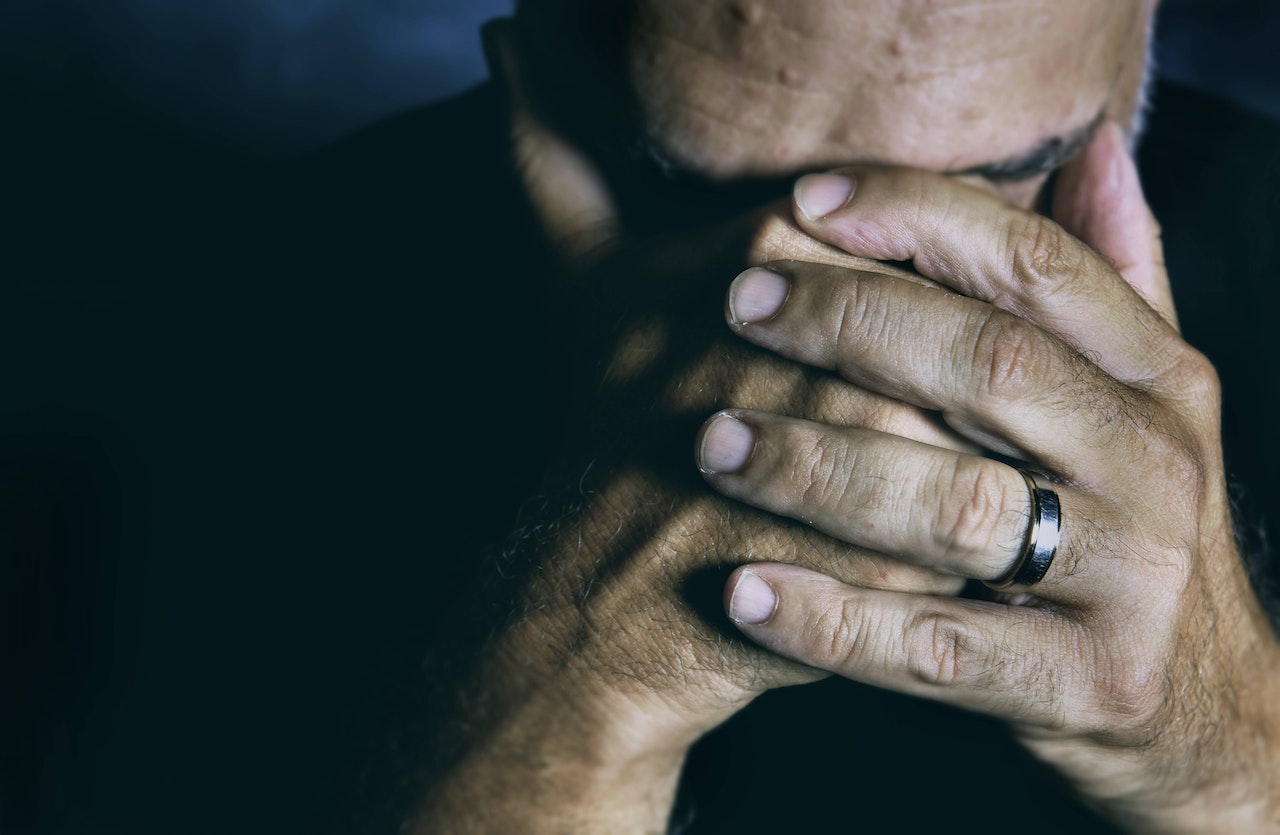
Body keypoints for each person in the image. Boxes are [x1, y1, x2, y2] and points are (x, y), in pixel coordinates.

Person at [4, 1, 1277, 833]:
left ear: (1135, 50)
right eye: (706, 190)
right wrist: (555, 728)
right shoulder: (181, 367)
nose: (854, 322)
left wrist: (1224, 752)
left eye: (992, 182)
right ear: (528, 66)